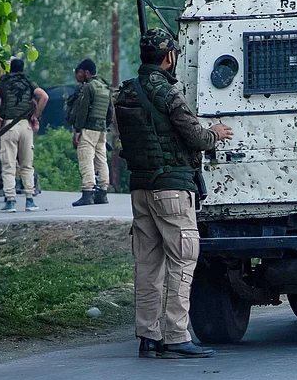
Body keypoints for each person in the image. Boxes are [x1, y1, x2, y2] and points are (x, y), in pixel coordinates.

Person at [115, 29, 232, 359]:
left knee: (148, 263)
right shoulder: (167, 93)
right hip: (172, 189)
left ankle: (148, 335)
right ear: (169, 57)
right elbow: (196, 137)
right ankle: (177, 334)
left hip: (140, 189)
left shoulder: (125, 92)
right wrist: (216, 133)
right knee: (183, 258)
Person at [0, 58, 48, 212]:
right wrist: (35, 116)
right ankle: (29, 199)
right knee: (27, 164)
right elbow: (44, 97)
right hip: (25, 125)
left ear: (10, 69)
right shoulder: (28, 82)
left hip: (9, 126)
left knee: (8, 164)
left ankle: (10, 200)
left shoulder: (4, 82)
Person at [67, 59, 112, 206]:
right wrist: (105, 126)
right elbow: (110, 111)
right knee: (101, 160)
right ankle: (103, 192)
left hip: (88, 129)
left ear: (86, 72)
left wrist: (78, 130)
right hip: (102, 129)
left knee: (86, 159)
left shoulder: (89, 87)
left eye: (79, 72)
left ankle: (87, 193)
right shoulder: (105, 87)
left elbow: (82, 111)